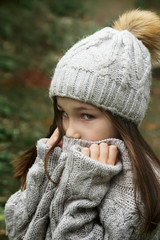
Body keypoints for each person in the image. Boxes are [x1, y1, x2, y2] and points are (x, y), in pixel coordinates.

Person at [5, 9, 160, 240]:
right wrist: (42, 170)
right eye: (63, 113)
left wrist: (83, 189)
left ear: (123, 118)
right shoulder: (59, 154)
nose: (69, 130)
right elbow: (16, 231)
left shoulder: (137, 190)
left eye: (86, 115)